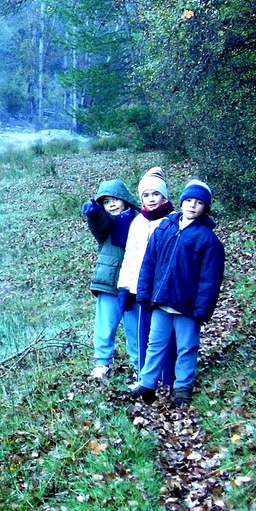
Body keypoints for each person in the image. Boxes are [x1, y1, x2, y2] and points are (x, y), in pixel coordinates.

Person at [131, 179, 226, 408]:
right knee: (155, 344)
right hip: (162, 301)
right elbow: (149, 264)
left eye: (199, 202)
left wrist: (202, 310)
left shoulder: (208, 239)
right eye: (189, 200)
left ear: (205, 208)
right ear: (181, 202)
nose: (192, 205)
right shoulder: (165, 228)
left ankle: (182, 387)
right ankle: (147, 383)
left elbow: (210, 279)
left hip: (187, 306)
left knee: (186, 346)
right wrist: (145, 294)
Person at [115, 166, 177, 388]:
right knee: (144, 335)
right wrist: (124, 287)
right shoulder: (138, 222)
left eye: (155, 194)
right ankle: (145, 379)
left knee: (165, 336)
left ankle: (169, 378)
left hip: (163, 290)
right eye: (146, 195)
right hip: (140, 289)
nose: (151, 199)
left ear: (164, 196)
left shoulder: (173, 221)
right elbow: (130, 258)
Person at [82, 178, 140, 379]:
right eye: (106, 202)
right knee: (105, 324)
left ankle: (140, 366)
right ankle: (102, 363)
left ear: (125, 199)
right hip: (108, 283)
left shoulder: (139, 219)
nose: (112, 204)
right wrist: (94, 212)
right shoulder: (105, 223)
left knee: (136, 327)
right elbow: (97, 223)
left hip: (134, 284)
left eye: (115, 199)